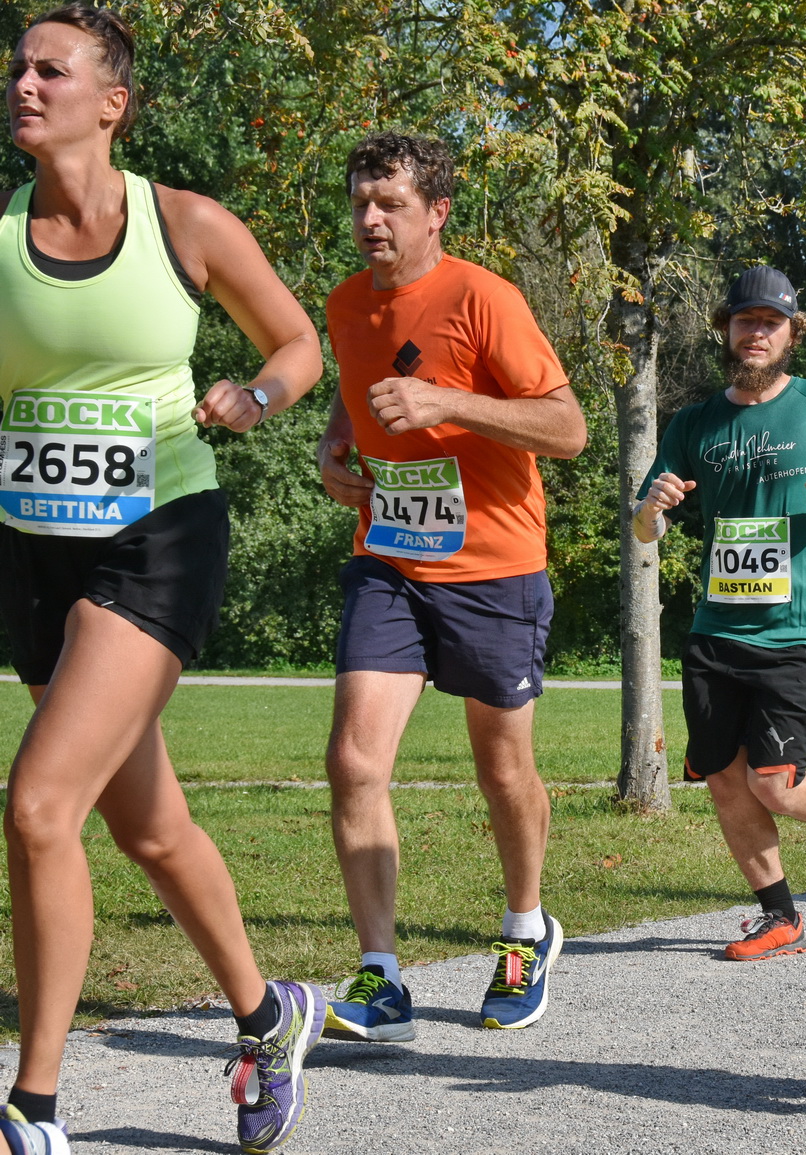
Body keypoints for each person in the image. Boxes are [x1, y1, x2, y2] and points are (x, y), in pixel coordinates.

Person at [0, 7, 327, 1152]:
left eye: (52, 69)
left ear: (112, 102)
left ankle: (34, 1111)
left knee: (41, 806)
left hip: (159, 538)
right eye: (18, 68)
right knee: (147, 824)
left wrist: (255, 398)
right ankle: (268, 1014)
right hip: (35, 554)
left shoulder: (184, 224)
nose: (25, 84)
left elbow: (298, 346)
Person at [315, 132, 588, 1040]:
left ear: (436, 211)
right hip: (388, 556)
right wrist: (334, 449)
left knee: (500, 766)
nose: (369, 219)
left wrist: (449, 404)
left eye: (389, 204)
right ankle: (381, 975)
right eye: (361, 201)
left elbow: (567, 426)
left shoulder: (484, 297)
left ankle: (524, 930)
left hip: (494, 568)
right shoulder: (345, 304)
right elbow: (357, 387)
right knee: (355, 759)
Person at [633, 265, 806, 962]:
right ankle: (779, 916)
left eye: (771, 323)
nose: (757, 333)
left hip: (800, 629)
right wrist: (652, 509)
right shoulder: (694, 422)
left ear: (791, 333)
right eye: (746, 320)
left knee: (775, 781)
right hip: (717, 630)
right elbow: (643, 527)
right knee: (725, 777)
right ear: (726, 327)